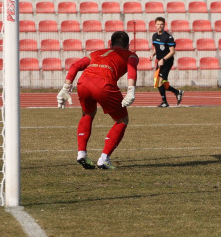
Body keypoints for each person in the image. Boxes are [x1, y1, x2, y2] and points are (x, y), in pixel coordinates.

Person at [57, 30, 139, 170]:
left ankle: (81, 153)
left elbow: (75, 66)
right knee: (122, 120)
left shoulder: (96, 52)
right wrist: (131, 90)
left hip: (84, 82)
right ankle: (104, 159)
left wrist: (65, 88)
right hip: (104, 84)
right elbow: (131, 67)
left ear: (110, 43)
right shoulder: (131, 54)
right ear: (128, 45)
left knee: (87, 114)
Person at [150, 16, 183, 108]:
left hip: (167, 62)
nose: (159, 26)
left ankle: (164, 102)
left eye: (161, 24)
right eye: (158, 24)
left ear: (164, 25)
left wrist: (163, 60)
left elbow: (172, 51)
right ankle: (177, 92)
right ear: (155, 25)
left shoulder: (168, 37)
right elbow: (156, 48)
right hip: (160, 62)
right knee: (159, 83)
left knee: (160, 81)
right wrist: (152, 55)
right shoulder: (154, 36)